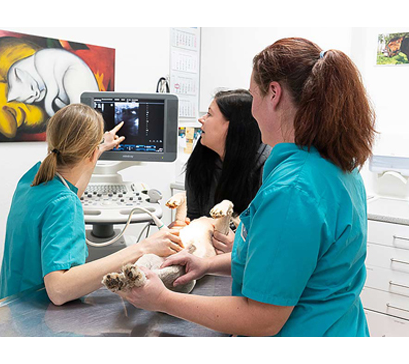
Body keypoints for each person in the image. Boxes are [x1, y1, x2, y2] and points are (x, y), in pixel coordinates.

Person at [114, 38, 377, 337]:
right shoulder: (338, 165)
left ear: (274, 94)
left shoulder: (293, 191)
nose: (251, 110)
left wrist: (161, 299)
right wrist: (207, 264)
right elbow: (288, 263)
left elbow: (261, 318)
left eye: (254, 96)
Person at [0, 104, 184, 306]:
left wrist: (98, 149)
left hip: (12, 307)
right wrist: (143, 248)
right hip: (38, 320)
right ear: (90, 153)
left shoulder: (32, 179)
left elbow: (71, 190)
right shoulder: (65, 203)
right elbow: (59, 290)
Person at [174, 89, 271, 254]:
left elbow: (270, 239)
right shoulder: (201, 161)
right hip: (204, 256)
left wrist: (241, 246)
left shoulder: (268, 168)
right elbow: (193, 217)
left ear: (232, 125)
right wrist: (181, 229)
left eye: (209, 115)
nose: (201, 120)